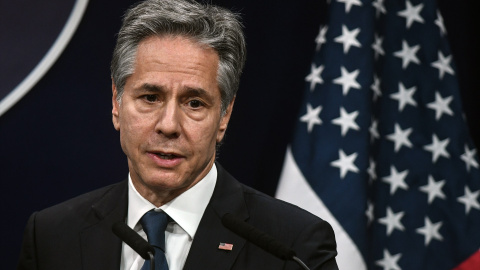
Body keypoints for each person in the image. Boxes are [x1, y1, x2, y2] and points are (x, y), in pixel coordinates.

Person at [17, 0, 338, 269]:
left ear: (224, 115)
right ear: (116, 103)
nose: (169, 125)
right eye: (150, 97)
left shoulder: (292, 246)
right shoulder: (52, 236)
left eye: (194, 103)